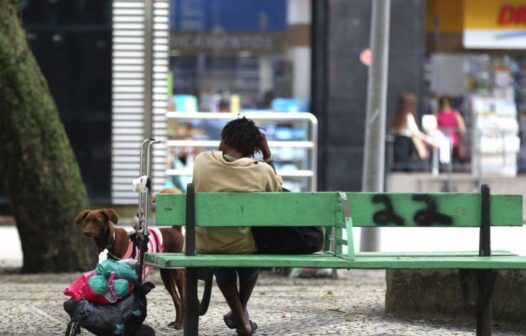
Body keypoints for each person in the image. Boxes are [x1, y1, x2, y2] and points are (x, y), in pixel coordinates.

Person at [192, 117, 282, 336]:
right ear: (253, 148)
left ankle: (240, 318)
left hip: (208, 243)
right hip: (246, 246)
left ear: (224, 139)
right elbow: (279, 195)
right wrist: (266, 151)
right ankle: (241, 319)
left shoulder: (201, 161)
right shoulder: (261, 171)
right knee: (248, 249)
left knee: (222, 252)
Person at [390, 91, 437, 171]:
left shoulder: (398, 116)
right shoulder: (408, 117)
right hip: (405, 144)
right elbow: (415, 132)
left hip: (398, 144)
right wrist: (430, 140)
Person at [436, 95, 467, 162]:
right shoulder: (455, 114)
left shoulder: (438, 115)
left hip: (443, 142)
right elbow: (462, 129)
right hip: (454, 141)